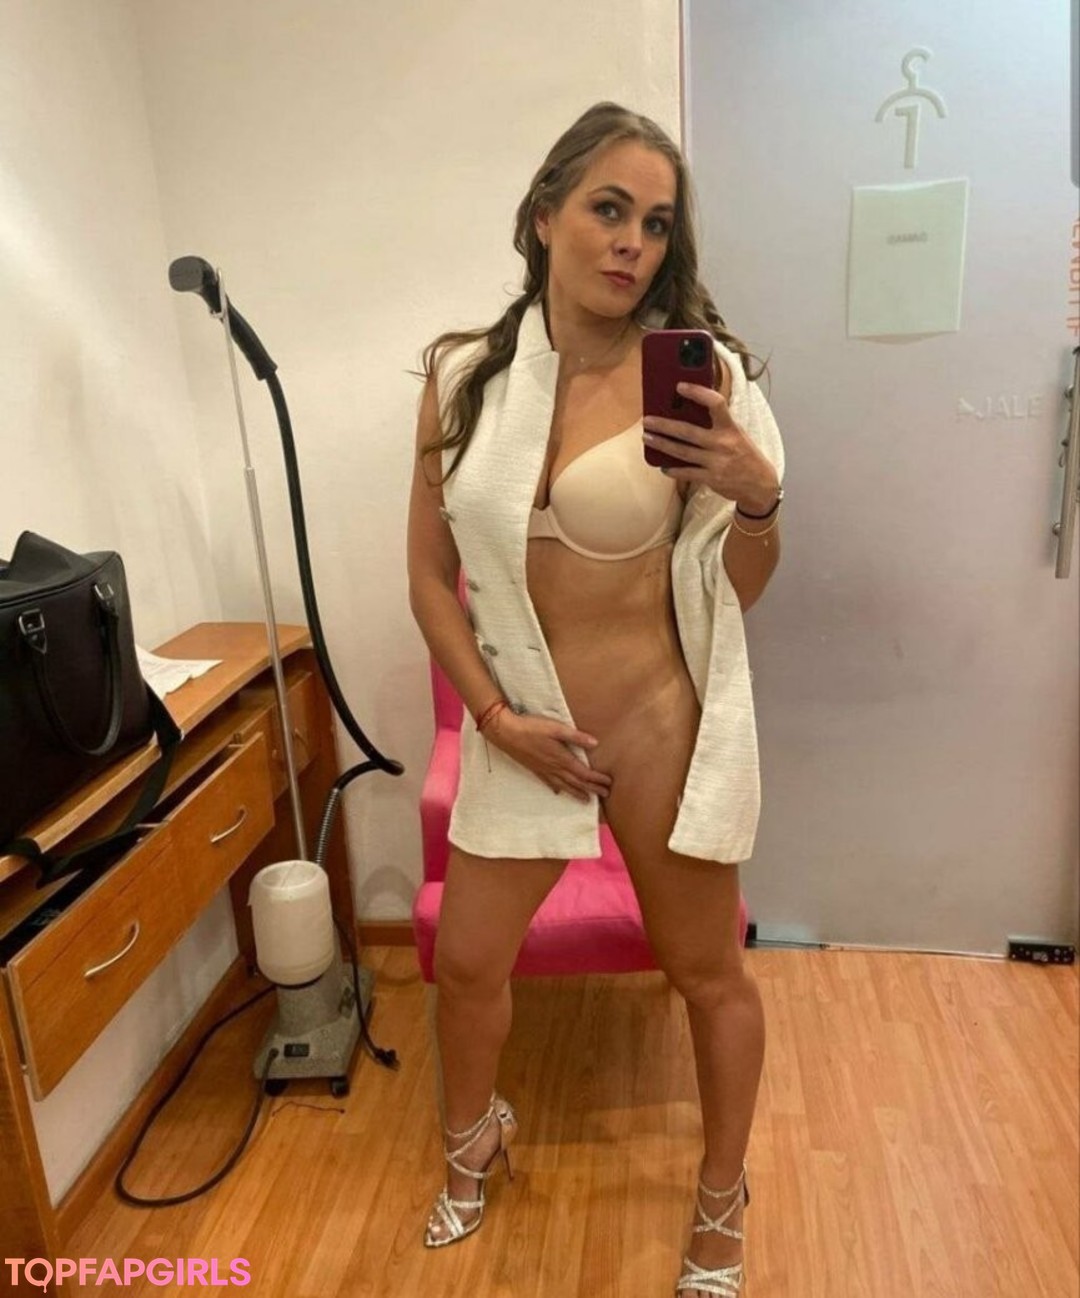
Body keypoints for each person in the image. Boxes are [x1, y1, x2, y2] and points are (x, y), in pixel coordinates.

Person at [406, 101, 784, 1297]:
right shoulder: (464, 376)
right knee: (467, 964)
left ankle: (720, 1197)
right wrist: (496, 720)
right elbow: (426, 577)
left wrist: (758, 497)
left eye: (657, 223)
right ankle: (473, 1140)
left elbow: (739, 590)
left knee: (708, 970)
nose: (632, 242)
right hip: (522, 729)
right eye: (608, 209)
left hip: (658, 721)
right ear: (544, 214)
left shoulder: (700, 378)